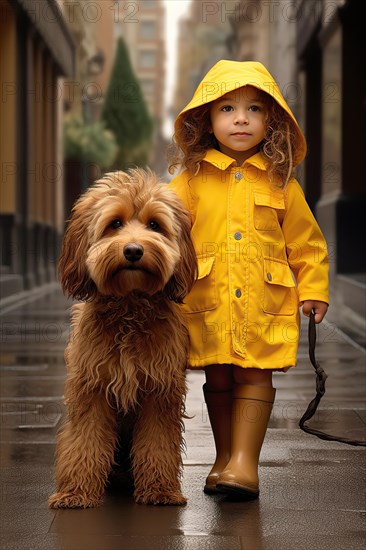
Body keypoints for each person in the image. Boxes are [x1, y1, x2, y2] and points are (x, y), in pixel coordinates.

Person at [167, 60, 329, 500]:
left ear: (271, 122)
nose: (241, 118)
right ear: (206, 120)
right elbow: (165, 232)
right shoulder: (190, 182)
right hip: (208, 299)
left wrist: (313, 288)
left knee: (256, 374)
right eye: (227, 109)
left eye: (254, 108)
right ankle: (224, 459)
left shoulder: (282, 185)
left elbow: (306, 244)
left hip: (263, 302)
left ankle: (245, 464)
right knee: (218, 377)